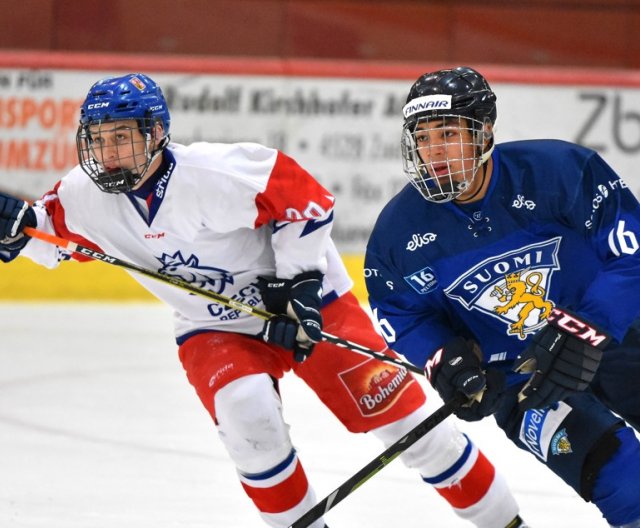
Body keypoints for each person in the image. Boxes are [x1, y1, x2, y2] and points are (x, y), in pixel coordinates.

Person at [0, 73, 528, 528]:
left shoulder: (213, 173)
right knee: (246, 416)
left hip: (310, 306)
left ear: (156, 134)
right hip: (213, 327)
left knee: (410, 428)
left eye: (121, 137)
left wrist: (298, 287)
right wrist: (18, 230)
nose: (107, 153)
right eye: (97, 139)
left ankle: (504, 521)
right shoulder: (83, 196)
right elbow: (54, 236)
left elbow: (307, 199)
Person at [364, 65, 640, 528]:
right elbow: (401, 313)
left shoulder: (558, 171)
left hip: (616, 337)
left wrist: (589, 326)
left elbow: (632, 248)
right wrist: (447, 360)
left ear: (484, 131)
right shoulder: (397, 233)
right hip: (520, 379)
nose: (434, 152)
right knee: (626, 481)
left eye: (448, 133)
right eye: (424, 137)